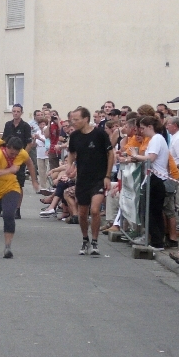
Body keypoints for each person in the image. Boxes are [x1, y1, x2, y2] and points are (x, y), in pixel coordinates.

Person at [66, 107, 114, 256]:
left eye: (76, 120)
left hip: (98, 178)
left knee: (94, 210)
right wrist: (69, 166)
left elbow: (111, 154)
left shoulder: (99, 134)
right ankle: (85, 239)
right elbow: (71, 153)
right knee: (82, 213)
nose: (73, 123)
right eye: (72, 120)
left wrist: (107, 176)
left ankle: (94, 241)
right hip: (82, 179)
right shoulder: (74, 136)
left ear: (86, 119)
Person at [0, 136, 39, 258]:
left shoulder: (22, 153)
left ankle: (8, 248)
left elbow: (30, 163)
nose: (14, 156)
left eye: (16, 154)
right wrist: (9, 170)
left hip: (11, 187)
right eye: (12, 153)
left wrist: (34, 181)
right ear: (7, 147)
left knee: (9, 214)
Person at [123, 116, 168, 250]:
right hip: (154, 177)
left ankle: (157, 241)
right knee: (154, 211)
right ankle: (157, 240)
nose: (141, 131)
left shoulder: (156, 139)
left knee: (152, 211)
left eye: (143, 128)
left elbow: (151, 158)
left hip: (156, 177)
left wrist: (135, 155)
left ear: (150, 127)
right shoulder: (156, 139)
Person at [2, 104, 34, 219]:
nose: (16, 113)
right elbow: (4, 141)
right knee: (6, 184)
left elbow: (29, 143)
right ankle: (6, 208)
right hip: (8, 158)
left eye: (18, 111)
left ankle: (17, 209)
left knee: (19, 184)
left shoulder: (25, 126)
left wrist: (22, 156)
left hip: (19, 159)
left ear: (21, 113)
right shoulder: (8, 125)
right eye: (14, 111)